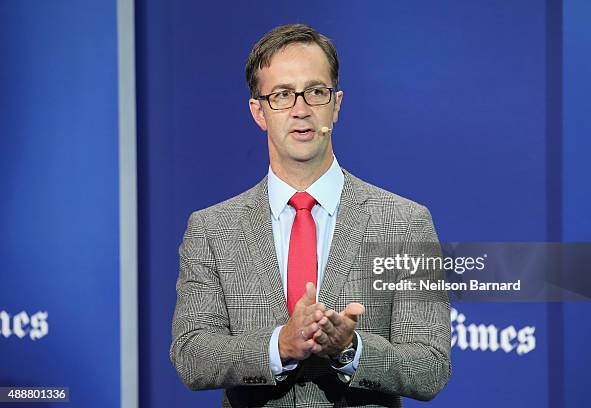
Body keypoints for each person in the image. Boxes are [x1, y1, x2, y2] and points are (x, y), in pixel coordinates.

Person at [170, 24, 451, 407]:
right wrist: (279, 345)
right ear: (259, 111)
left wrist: (351, 349)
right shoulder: (212, 229)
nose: (301, 109)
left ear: (336, 104)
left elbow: (430, 366)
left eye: (315, 92)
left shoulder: (405, 222)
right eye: (282, 95)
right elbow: (192, 354)